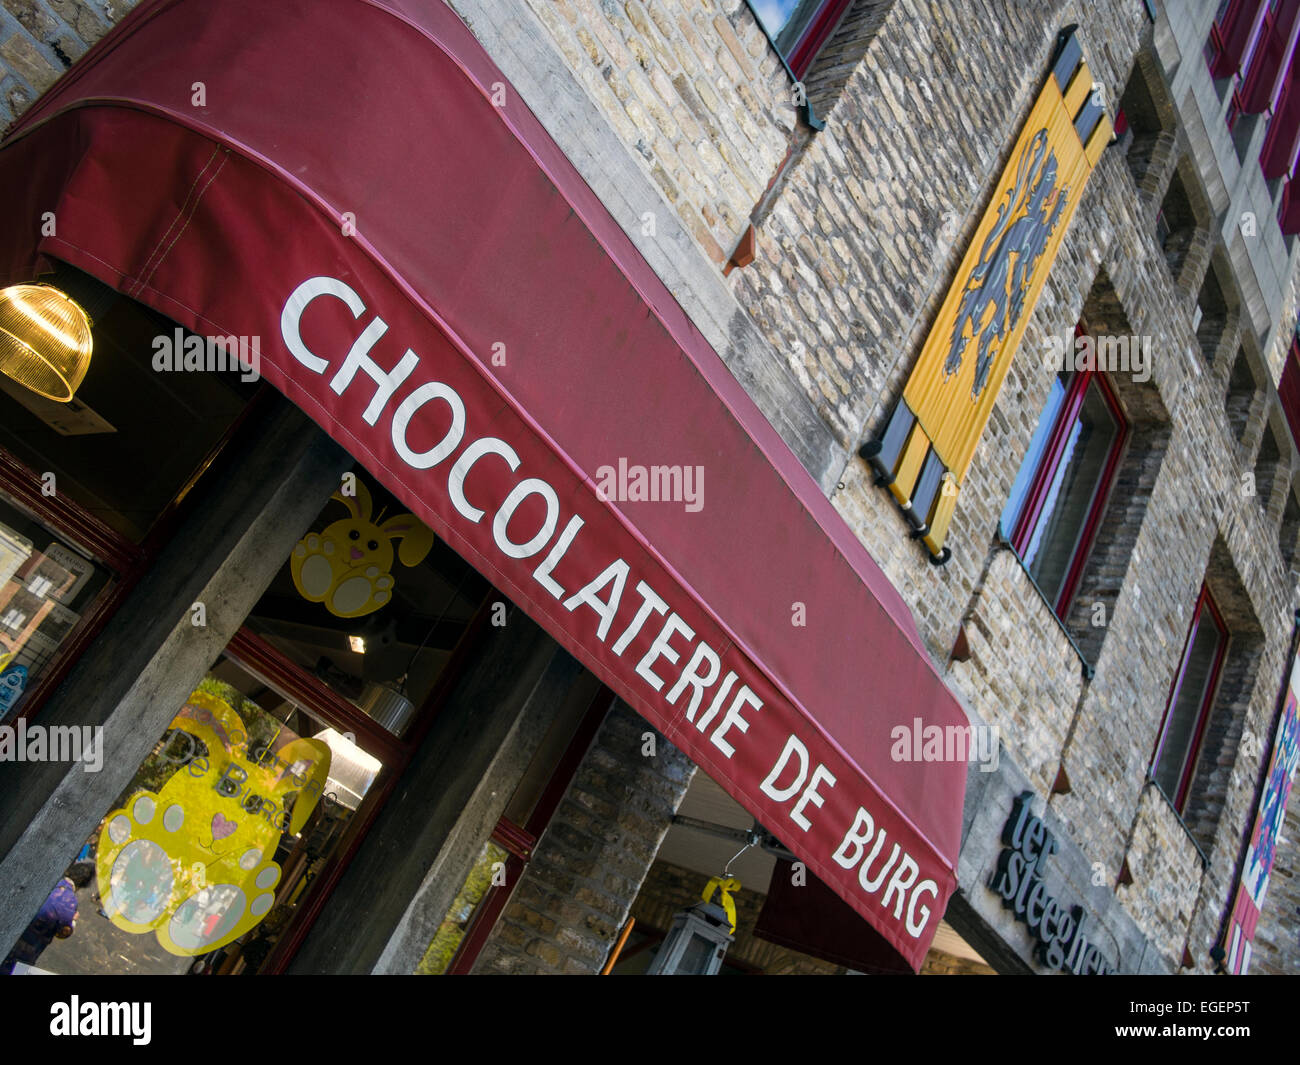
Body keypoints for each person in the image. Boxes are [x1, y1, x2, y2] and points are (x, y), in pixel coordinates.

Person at [1, 862, 94, 974]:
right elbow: (63, 932)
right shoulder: (70, 902)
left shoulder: (46, 879)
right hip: (27, 950)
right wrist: (73, 921)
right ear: (84, 884)